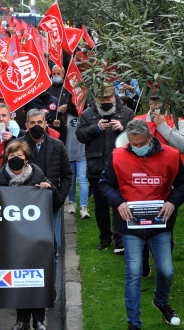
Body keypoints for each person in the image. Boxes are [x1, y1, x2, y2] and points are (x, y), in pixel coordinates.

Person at [100, 120, 184, 330]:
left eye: (142, 143)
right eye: (134, 144)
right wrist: (119, 202)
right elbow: (105, 183)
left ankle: (160, 301)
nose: (138, 148)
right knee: (133, 272)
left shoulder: (171, 155)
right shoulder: (118, 156)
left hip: (160, 223)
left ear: (151, 138)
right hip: (131, 225)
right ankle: (134, 323)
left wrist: (172, 202)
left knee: (166, 271)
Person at [0, 140, 55, 330]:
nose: (15, 159)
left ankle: (39, 319)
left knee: (37, 277)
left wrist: (49, 190)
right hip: (11, 238)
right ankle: (22, 319)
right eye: (11, 156)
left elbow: (56, 202)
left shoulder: (38, 175)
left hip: (36, 238)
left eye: (19, 156)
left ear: (26, 159)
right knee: (17, 277)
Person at [76, 81, 134, 253]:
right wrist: (96, 128)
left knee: (119, 204)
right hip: (96, 165)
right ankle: (104, 238)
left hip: (120, 166)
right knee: (100, 206)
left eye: (108, 97)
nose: (105, 101)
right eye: (102, 98)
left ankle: (120, 239)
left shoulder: (127, 112)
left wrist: (123, 129)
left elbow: (138, 134)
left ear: (114, 96)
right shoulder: (87, 114)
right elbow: (80, 135)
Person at [23, 109, 72, 255]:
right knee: (28, 248)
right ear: (26, 125)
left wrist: (60, 197)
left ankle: (52, 277)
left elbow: (67, 175)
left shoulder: (58, 145)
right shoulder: (18, 146)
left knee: (53, 248)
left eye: (39, 122)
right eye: (32, 123)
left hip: (52, 203)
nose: (36, 126)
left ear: (46, 124)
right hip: (25, 204)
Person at [65, 103, 90, 219]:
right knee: (70, 179)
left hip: (83, 152)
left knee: (83, 180)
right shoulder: (65, 113)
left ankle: (84, 208)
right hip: (68, 152)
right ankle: (71, 203)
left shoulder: (87, 113)